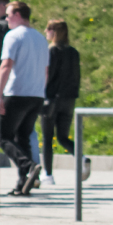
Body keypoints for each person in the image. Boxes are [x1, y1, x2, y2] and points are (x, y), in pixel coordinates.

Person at [0, 1, 50, 194]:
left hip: (16, 92)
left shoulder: (13, 36)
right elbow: (46, 70)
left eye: (9, 14)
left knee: (2, 136)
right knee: (23, 137)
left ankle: (27, 166)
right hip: (36, 94)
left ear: (18, 14)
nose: (7, 18)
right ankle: (23, 182)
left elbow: (6, 65)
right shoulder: (41, 38)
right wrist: (41, 92)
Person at [41, 19, 87, 184]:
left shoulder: (51, 51)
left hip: (52, 98)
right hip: (69, 99)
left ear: (55, 32)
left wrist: (43, 93)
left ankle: (47, 174)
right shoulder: (73, 52)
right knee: (62, 136)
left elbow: (48, 75)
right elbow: (77, 77)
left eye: (48, 29)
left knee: (47, 138)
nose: (46, 31)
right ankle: (81, 157)